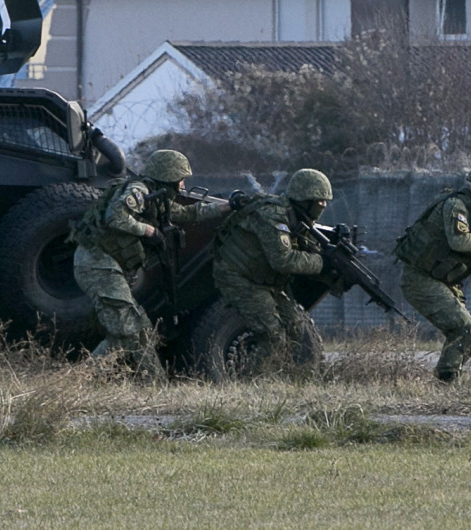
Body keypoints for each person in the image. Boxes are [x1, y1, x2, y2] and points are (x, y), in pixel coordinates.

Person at [72, 149, 233, 380]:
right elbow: (114, 216)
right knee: (129, 326)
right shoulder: (139, 191)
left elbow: (189, 213)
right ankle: (86, 381)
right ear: (168, 176)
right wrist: (148, 230)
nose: (182, 185)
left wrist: (228, 206)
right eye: (181, 179)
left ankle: (150, 383)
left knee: (139, 329)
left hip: (107, 267)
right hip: (98, 264)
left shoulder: (157, 199)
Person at [392, 158, 471, 383]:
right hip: (420, 278)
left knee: (464, 330)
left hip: (442, 280)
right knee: (463, 326)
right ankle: (446, 380)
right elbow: (459, 241)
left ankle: (447, 378)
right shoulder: (457, 205)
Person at [211, 168, 334, 373]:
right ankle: (250, 383)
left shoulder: (297, 218)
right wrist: (321, 263)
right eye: (320, 202)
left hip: (265, 280)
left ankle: (297, 381)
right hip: (240, 278)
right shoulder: (273, 215)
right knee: (272, 335)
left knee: (296, 329)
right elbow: (283, 261)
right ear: (305, 200)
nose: (323, 206)